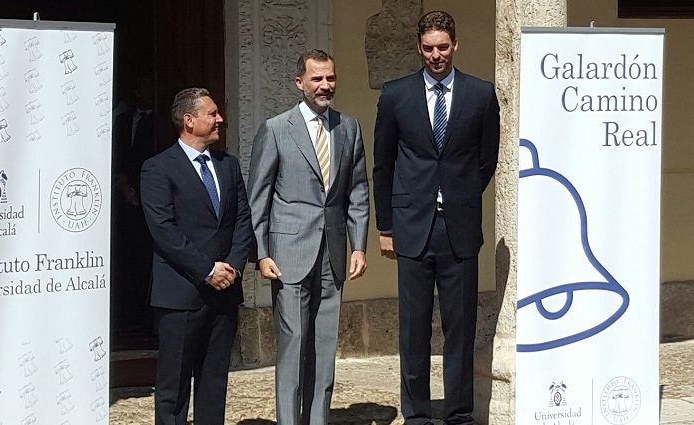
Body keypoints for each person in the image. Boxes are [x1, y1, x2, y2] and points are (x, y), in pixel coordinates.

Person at [372, 11, 500, 425]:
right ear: (419, 48)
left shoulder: (480, 95)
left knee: (459, 329)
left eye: (442, 47)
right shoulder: (395, 95)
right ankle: (418, 416)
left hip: (458, 229)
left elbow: (486, 160)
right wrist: (386, 226)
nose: (436, 55)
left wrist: (459, 196)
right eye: (428, 48)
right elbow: (383, 164)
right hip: (411, 229)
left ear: (455, 45)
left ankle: (459, 414)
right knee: (413, 330)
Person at [247, 49, 370, 425]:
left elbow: (358, 191)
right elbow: (258, 197)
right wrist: (261, 252)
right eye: (317, 78)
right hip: (288, 255)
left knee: (325, 346)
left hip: (333, 251)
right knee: (294, 344)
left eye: (330, 78)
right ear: (299, 82)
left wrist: (359, 245)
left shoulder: (348, 128)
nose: (325, 85)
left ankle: (318, 419)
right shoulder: (276, 128)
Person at [141, 87, 253, 425]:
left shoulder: (228, 165)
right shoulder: (158, 168)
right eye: (212, 113)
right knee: (174, 387)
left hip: (224, 291)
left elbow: (242, 220)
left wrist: (231, 266)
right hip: (181, 294)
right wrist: (206, 269)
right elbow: (163, 230)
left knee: (214, 381)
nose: (220, 119)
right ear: (189, 121)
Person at [111, 75, 156, 334]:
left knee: (145, 258)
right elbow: (117, 154)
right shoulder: (123, 120)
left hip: (149, 198)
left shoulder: (158, 121)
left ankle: (146, 317)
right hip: (124, 198)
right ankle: (128, 315)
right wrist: (121, 185)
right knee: (127, 258)